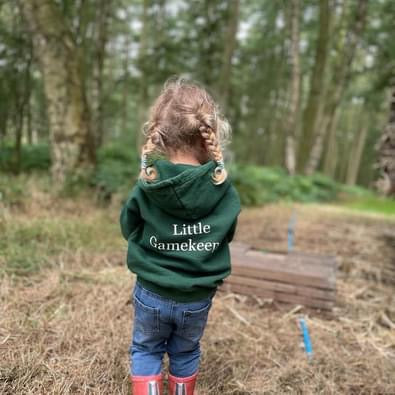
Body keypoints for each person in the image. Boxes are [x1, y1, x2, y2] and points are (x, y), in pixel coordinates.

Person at [120, 78, 241, 395]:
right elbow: (226, 233)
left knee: (146, 349)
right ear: (208, 135)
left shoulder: (149, 185)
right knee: (185, 352)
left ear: (159, 136)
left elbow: (127, 226)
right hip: (197, 297)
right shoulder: (221, 187)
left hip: (152, 292)